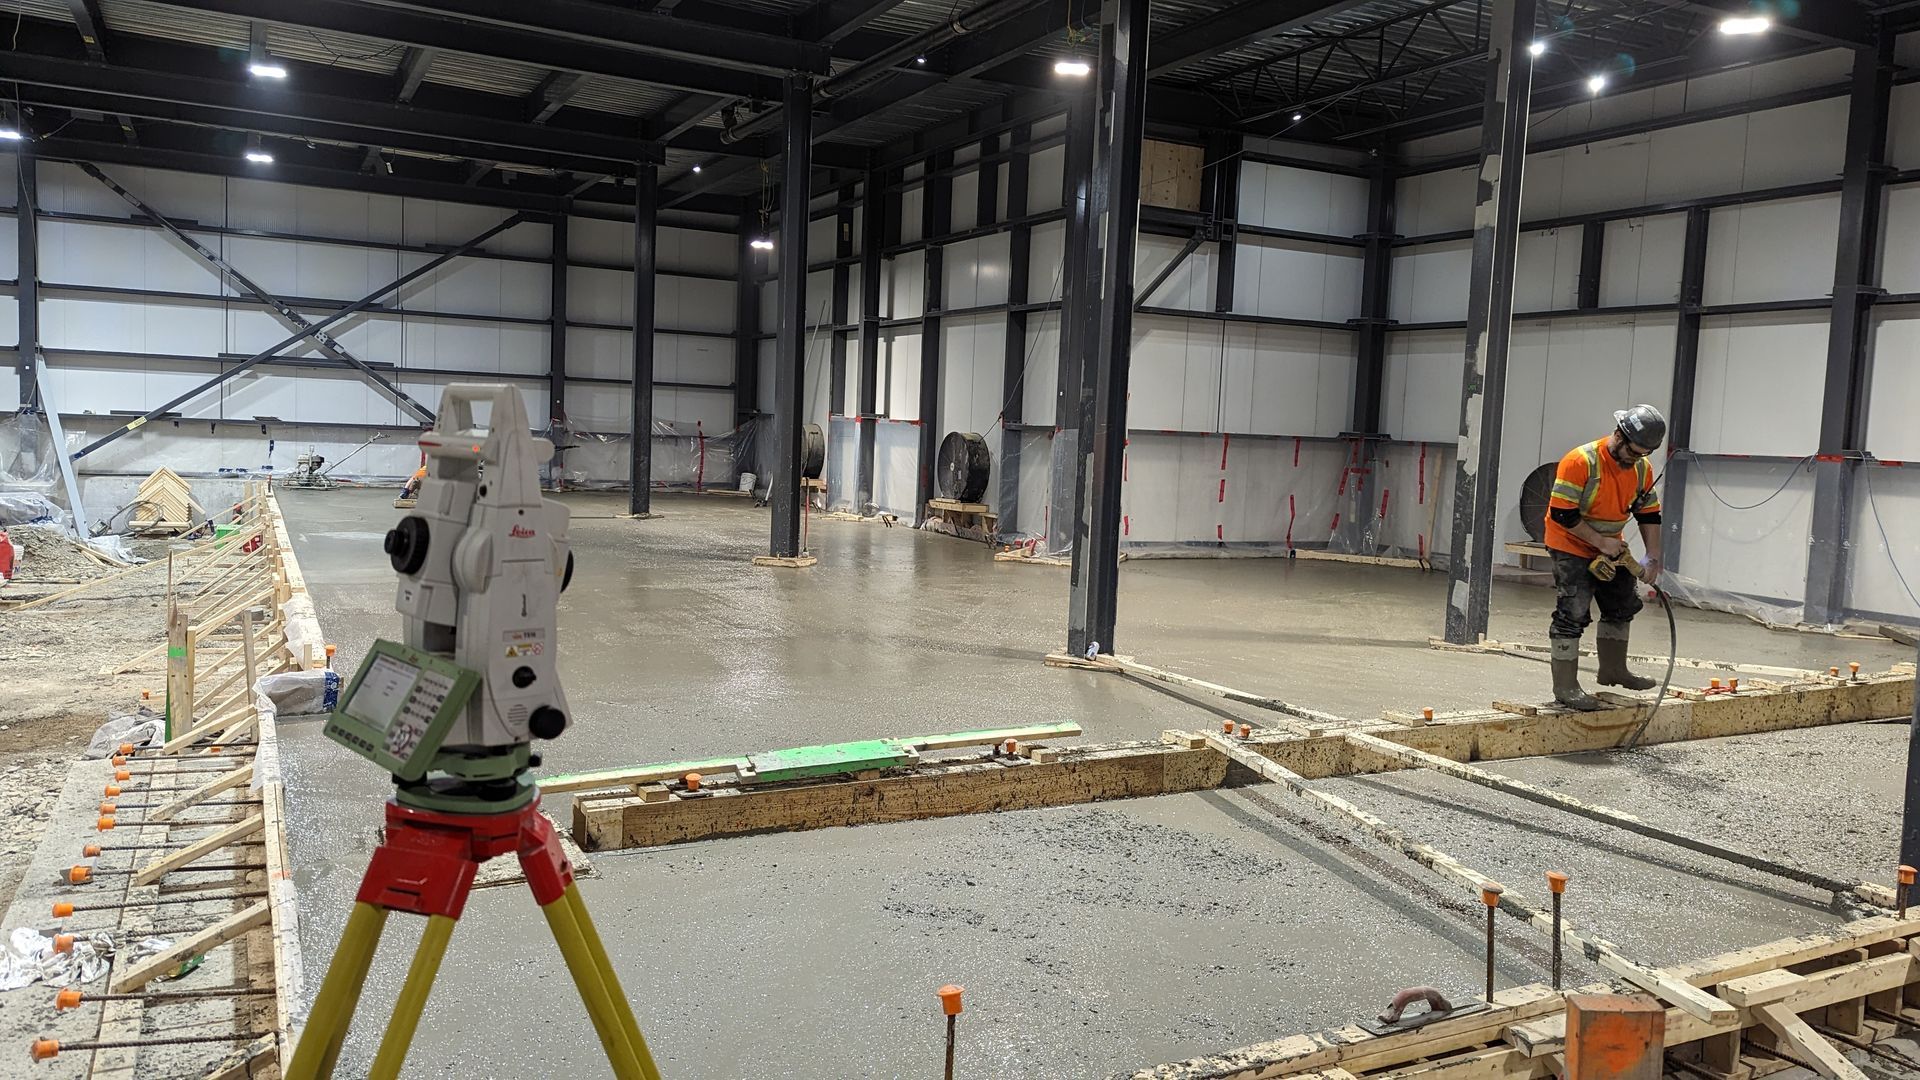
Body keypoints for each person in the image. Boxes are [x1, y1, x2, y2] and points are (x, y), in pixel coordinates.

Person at [1543, 404, 1667, 711]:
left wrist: (1652, 555)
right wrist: (1600, 542)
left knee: (1622, 604)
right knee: (1572, 613)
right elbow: (1562, 513)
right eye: (1634, 452)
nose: (1637, 459)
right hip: (1570, 543)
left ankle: (1613, 670)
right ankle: (1566, 687)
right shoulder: (1580, 461)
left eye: (1644, 454)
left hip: (1612, 545)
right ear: (1619, 436)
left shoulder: (1641, 467)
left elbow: (1649, 513)